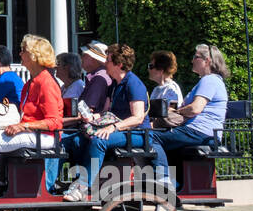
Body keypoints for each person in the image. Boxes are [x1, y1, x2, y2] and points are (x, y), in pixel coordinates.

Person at [0, 34, 63, 197]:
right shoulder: (31, 82)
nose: (20, 54)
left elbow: (54, 121)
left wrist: (23, 126)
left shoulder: (46, 83)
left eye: (23, 51)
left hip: (45, 136)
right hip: (32, 132)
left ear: (34, 56)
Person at [62, 42, 150, 202]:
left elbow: (138, 118)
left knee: (99, 140)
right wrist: (93, 117)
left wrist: (113, 127)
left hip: (136, 133)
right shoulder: (114, 84)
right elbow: (107, 111)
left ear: (119, 64)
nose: (105, 63)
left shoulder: (133, 83)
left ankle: (83, 186)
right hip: (118, 129)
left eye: (108, 60)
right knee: (75, 139)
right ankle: (67, 179)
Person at [151, 44, 231, 184]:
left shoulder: (209, 80)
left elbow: (195, 108)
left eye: (196, 57)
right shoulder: (209, 81)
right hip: (200, 132)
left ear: (207, 61)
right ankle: (177, 184)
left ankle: (164, 180)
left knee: (151, 138)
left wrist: (177, 112)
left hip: (200, 132)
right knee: (167, 143)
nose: (192, 60)